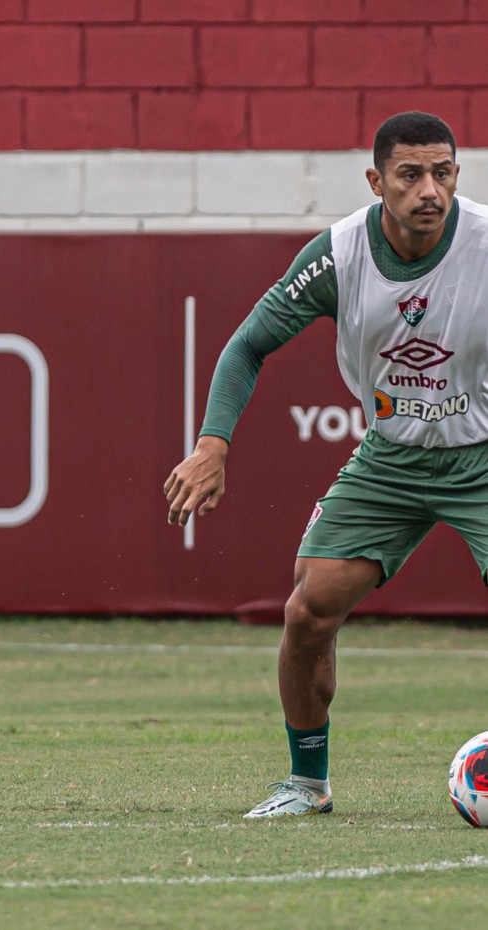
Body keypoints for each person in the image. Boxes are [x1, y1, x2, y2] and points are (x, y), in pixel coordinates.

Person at [163, 111, 488, 818]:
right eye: (409, 175)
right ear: (376, 181)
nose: (428, 190)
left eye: (442, 173)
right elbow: (246, 346)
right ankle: (306, 785)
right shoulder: (338, 256)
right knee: (308, 612)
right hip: (390, 461)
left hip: (483, 457)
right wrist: (212, 444)